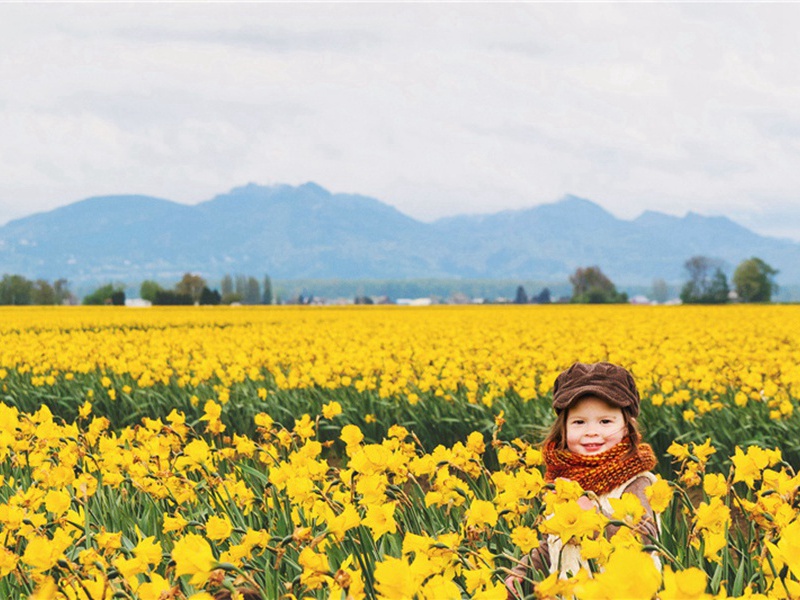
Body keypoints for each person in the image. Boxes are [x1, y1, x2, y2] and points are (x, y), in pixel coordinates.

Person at [505, 361, 660, 597]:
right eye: (579, 422)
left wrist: (589, 515)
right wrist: (522, 573)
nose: (591, 431)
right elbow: (551, 544)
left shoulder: (637, 482)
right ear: (564, 429)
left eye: (605, 421)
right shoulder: (561, 482)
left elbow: (643, 539)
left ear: (627, 427)